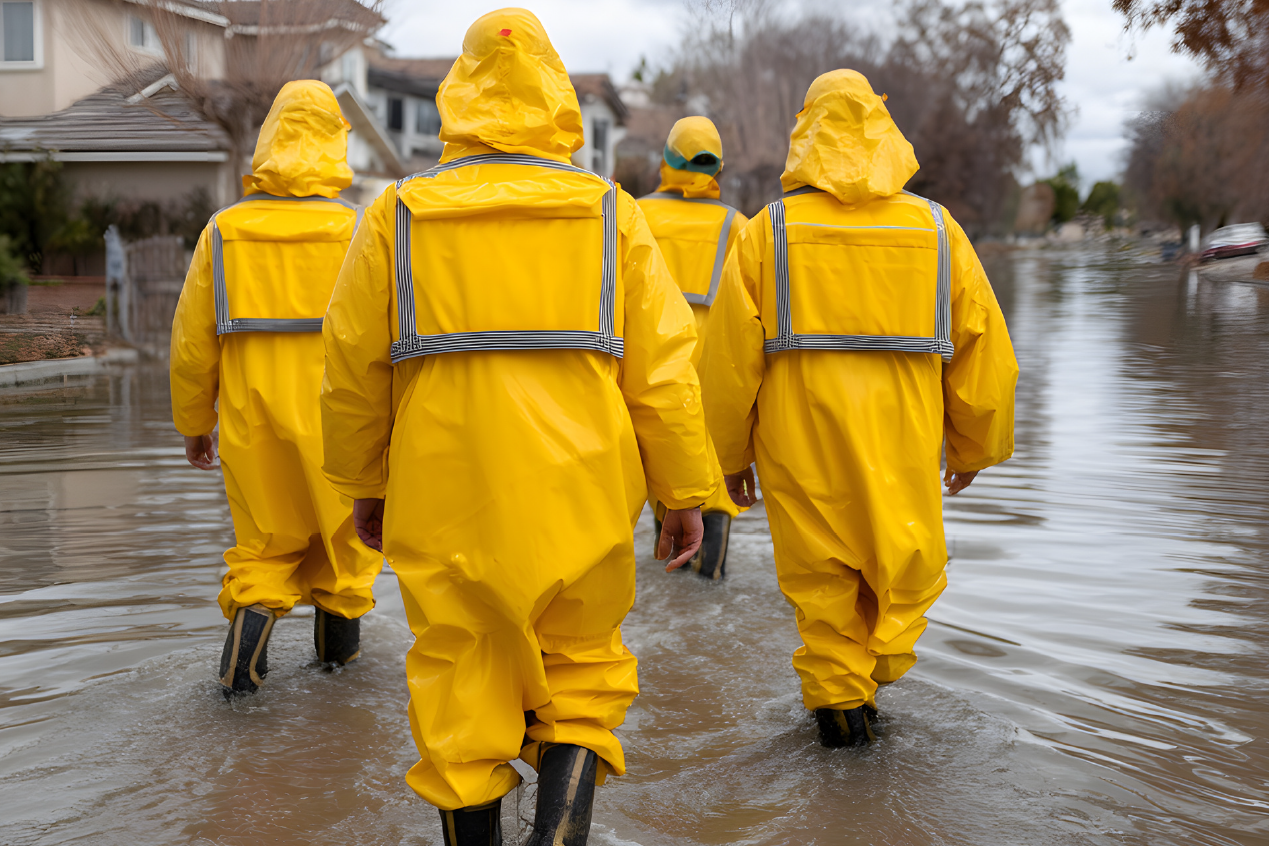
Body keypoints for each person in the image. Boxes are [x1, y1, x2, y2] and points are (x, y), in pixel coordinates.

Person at [319, 9, 715, 845]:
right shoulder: (610, 214)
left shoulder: (396, 213)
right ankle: (561, 830)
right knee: (580, 663)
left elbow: (352, 365)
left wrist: (364, 483)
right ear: (556, 92)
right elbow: (663, 372)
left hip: (444, 486)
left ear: (456, 90)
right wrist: (684, 493)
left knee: (460, 671)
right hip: (585, 486)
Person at [699, 70, 1018, 748]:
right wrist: (973, 447)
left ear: (805, 130)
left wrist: (727, 459)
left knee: (823, 592)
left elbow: (726, 365)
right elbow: (984, 352)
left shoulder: (766, 234)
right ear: (883, 125)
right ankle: (861, 715)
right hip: (904, 447)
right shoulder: (938, 231)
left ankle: (842, 725)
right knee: (900, 575)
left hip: (800, 449)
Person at [170, 80, 383, 699]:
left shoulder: (224, 231)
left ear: (269, 139)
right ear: (336, 142)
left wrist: (194, 424)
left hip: (253, 423)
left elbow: (191, 343)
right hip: (342, 422)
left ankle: (238, 685)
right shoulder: (362, 229)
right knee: (347, 553)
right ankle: (340, 693)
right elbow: (390, 337)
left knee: (264, 551)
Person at [637, 117, 749, 579]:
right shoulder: (735, 224)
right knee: (712, 453)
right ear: (718, 167)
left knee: (659, 443)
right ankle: (710, 577)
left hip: (651, 343)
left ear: (666, 159)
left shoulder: (633, 212)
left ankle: (669, 567)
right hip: (715, 346)